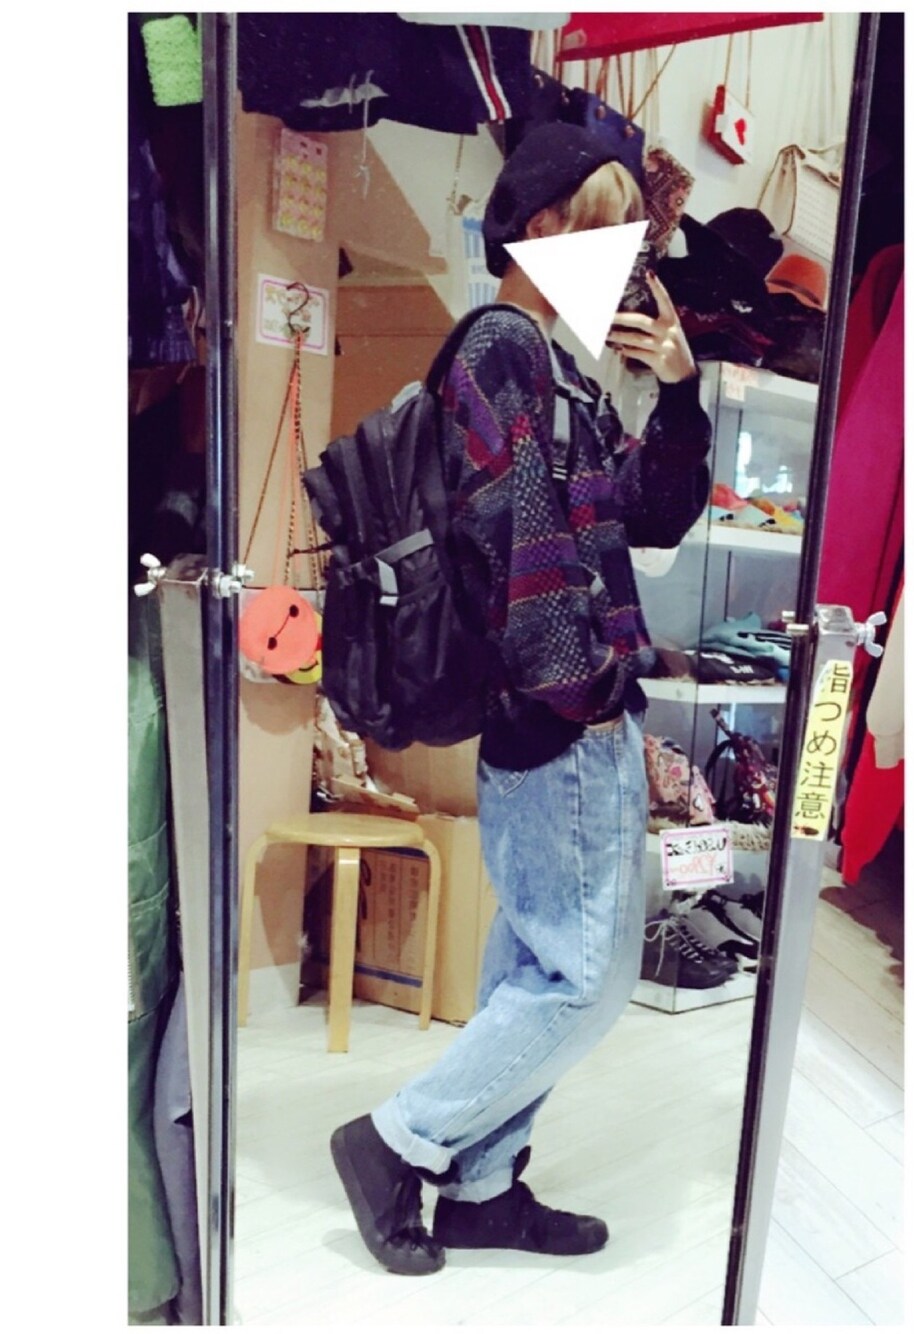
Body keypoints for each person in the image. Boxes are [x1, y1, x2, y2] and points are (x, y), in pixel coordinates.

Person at [330, 122, 712, 1276]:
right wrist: (585, 694)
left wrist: (679, 393)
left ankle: (483, 1188)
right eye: (608, 233)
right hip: (558, 719)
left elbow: (646, 515)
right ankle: (397, 1140)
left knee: (536, 966)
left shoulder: (555, 369)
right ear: (540, 227)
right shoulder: (503, 346)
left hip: (556, 713)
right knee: (588, 984)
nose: (625, 260)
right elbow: (513, 542)